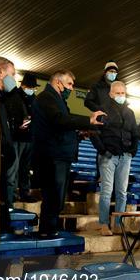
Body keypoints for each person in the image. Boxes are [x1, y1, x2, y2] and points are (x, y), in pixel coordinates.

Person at [31, 70, 105, 236]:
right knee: (53, 197)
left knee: (56, 198)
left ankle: (50, 229)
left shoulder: (58, 100)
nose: (71, 89)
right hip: (52, 156)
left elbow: (61, 126)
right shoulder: (46, 98)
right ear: (58, 82)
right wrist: (88, 120)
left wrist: (79, 134)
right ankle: (47, 232)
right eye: (69, 84)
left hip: (59, 154)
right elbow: (59, 120)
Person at [90, 81, 138, 236]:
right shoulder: (103, 109)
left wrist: (133, 151)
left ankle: (118, 224)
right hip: (108, 156)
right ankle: (103, 224)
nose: (120, 96)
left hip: (125, 156)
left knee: (122, 193)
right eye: (117, 93)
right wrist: (103, 149)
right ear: (110, 94)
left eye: (122, 93)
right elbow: (94, 131)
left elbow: (134, 133)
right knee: (106, 191)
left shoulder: (130, 113)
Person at [0, 57, 17, 231]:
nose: (14, 79)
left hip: (2, 162)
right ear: (1, 72)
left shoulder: (2, 99)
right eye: (13, 74)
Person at [17, 73, 40, 202]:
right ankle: (13, 193)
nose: (32, 90)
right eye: (30, 87)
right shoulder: (16, 96)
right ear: (23, 85)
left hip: (30, 137)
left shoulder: (34, 99)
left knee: (25, 168)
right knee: (14, 168)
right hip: (18, 137)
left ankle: (25, 192)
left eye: (33, 88)